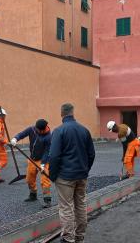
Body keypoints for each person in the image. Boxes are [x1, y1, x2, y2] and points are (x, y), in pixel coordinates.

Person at [49, 103, 95, 243]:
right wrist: (85, 170)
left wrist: (53, 175)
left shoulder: (59, 131)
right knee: (80, 204)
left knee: (66, 207)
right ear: (73, 113)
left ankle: (68, 238)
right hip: (81, 175)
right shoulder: (84, 130)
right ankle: (80, 236)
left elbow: (54, 156)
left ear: (61, 114)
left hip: (65, 177)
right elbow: (91, 154)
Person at [10, 119, 52, 207]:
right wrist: (15, 139)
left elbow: (47, 152)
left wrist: (43, 164)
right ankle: (33, 195)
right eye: (38, 130)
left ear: (44, 129)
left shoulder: (48, 137)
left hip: (44, 160)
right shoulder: (32, 129)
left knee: (45, 180)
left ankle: (47, 200)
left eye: (41, 131)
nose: (39, 132)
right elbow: (22, 134)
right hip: (32, 159)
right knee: (29, 178)